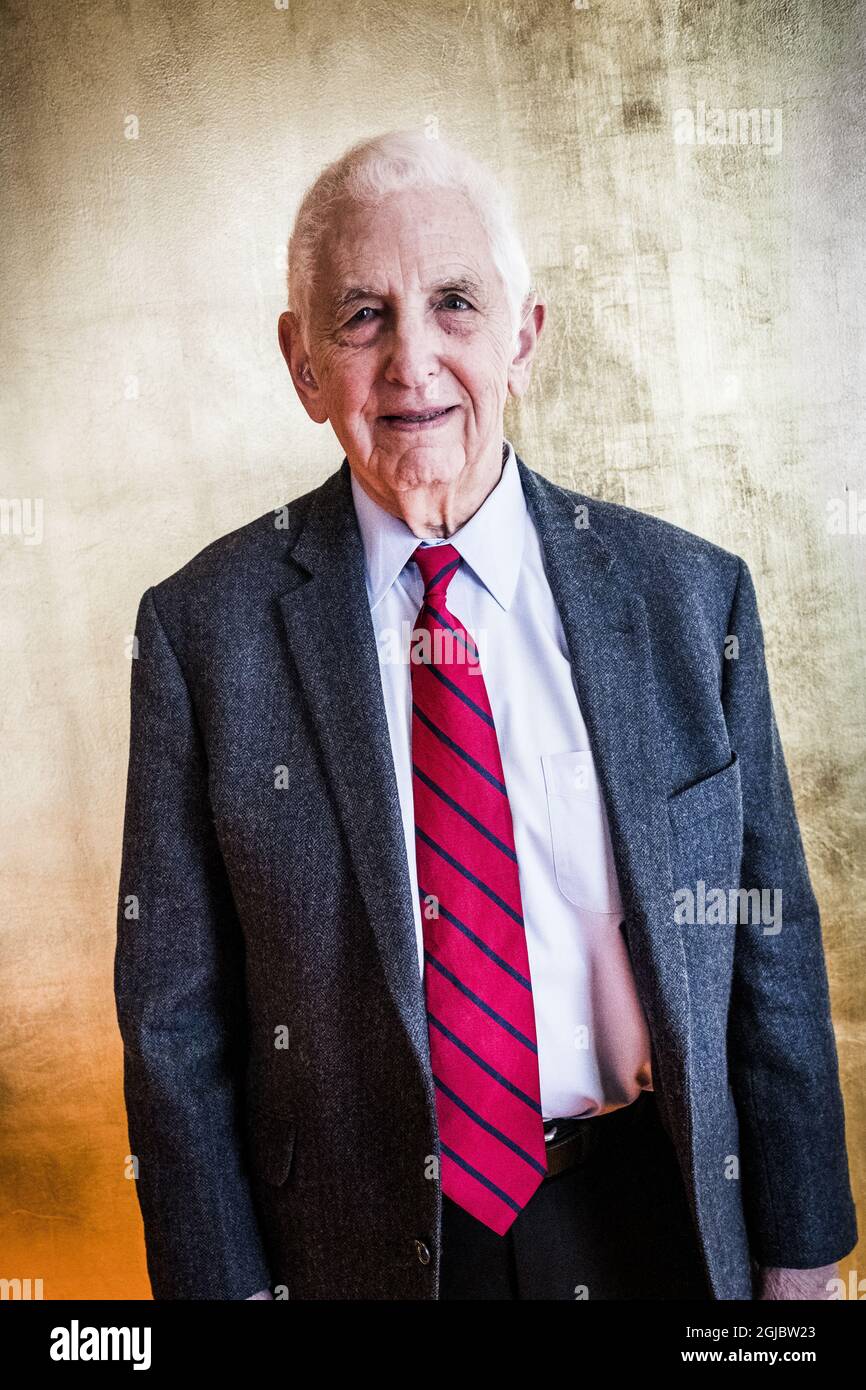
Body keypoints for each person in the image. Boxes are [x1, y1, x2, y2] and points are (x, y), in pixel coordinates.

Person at [114, 129, 857, 1300]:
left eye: (454, 303)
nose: (412, 362)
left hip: (650, 1220)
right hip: (354, 1250)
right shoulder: (203, 632)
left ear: (522, 338)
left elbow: (768, 955)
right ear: (301, 363)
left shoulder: (687, 597)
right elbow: (173, 1027)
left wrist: (801, 1259)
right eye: (361, 316)